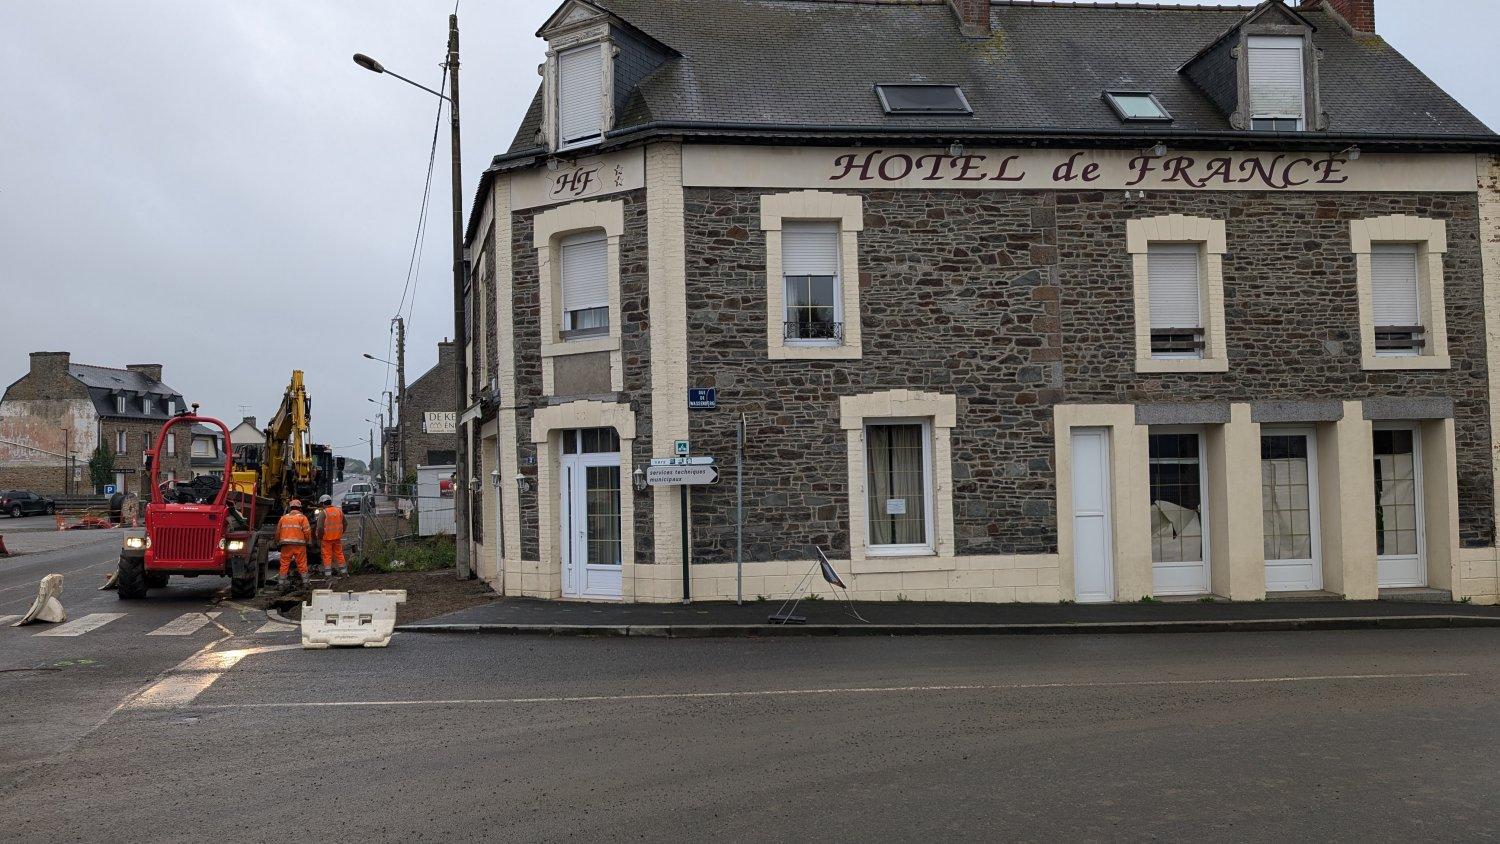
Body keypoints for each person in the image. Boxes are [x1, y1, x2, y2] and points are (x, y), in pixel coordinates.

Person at [275, 499, 312, 590]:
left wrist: (277, 542)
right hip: (299, 545)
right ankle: (306, 583)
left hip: (286, 545)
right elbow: (307, 531)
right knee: (302, 564)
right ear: (299, 508)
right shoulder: (302, 518)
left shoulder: (283, 518)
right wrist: (308, 541)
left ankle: (281, 584)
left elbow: (278, 532)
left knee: (284, 564)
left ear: (290, 508)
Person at [315, 494, 347, 577]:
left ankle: (328, 575)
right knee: (339, 554)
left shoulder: (324, 513)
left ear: (323, 503)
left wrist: (319, 537)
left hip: (326, 539)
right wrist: (340, 533)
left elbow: (320, 528)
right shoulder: (339, 511)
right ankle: (344, 573)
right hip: (337, 538)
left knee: (327, 556)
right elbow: (345, 523)